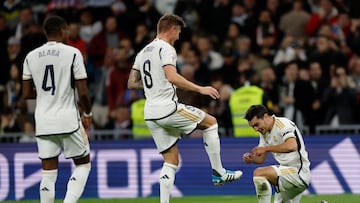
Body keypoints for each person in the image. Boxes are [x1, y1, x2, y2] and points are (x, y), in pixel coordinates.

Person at [127, 14, 242, 203]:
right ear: (172, 29)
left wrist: (154, 84)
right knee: (211, 123)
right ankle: (219, 172)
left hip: (150, 114)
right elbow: (172, 77)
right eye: (178, 32)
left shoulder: (143, 52)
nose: (179, 37)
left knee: (171, 161)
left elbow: (132, 82)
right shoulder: (166, 48)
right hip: (167, 108)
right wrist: (200, 88)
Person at [22, 15, 92, 203]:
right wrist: (87, 113)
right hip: (67, 119)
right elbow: (83, 91)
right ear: (62, 30)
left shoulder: (30, 56)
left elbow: (27, 93)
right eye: (67, 30)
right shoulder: (73, 53)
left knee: (48, 173)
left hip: (43, 122)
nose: (68, 33)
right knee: (83, 165)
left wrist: (47, 95)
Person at [242, 104, 310, 203]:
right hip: (286, 174)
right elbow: (261, 159)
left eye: (257, 124)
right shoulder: (264, 132)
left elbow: (292, 146)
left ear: (265, 116)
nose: (256, 129)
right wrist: (251, 158)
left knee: (259, 173)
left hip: (298, 172)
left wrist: (266, 148)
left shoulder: (283, 124)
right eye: (253, 127)